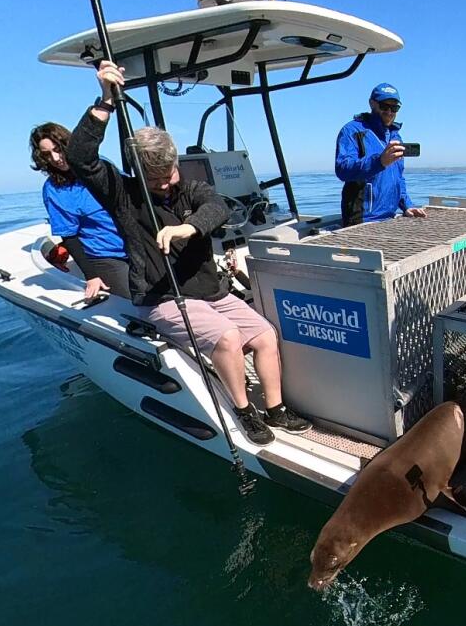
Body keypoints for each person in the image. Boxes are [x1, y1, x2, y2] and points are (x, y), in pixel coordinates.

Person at [67, 60, 311, 445]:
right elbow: (81, 158)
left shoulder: (191, 188)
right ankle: (244, 412)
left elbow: (219, 207)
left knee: (264, 334)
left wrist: (188, 226)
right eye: (156, 178)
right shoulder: (122, 195)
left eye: (171, 173)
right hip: (164, 297)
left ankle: (276, 409)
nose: (166, 183)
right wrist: (105, 102)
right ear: (139, 173)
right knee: (228, 338)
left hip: (210, 291)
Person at [30, 122, 130, 301]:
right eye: (47, 155)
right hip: (104, 256)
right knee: (135, 299)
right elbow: (69, 236)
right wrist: (91, 276)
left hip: (134, 244)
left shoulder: (98, 165)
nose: (56, 158)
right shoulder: (54, 190)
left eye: (58, 149)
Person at [334, 82, 426, 225]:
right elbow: (342, 169)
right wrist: (379, 162)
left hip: (390, 218)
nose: (389, 112)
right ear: (372, 104)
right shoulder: (352, 131)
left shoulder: (395, 136)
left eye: (394, 108)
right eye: (384, 106)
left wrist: (407, 205)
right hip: (361, 219)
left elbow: (398, 177)